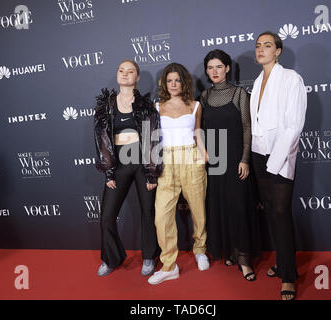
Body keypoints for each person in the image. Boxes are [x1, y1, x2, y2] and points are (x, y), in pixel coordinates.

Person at [250, 31, 307, 300]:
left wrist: (274, 162)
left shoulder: (291, 79)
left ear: (278, 51)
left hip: (280, 157)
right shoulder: (257, 81)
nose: (261, 49)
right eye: (258, 46)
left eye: (267, 45)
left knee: (282, 213)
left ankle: (288, 276)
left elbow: (294, 125)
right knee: (271, 211)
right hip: (259, 155)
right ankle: (282, 262)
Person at [94, 60, 162, 277]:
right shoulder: (106, 105)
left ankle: (149, 257)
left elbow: (153, 137)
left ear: (137, 77)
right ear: (117, 75)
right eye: (121, 70)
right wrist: (109, 171)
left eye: (130, 71)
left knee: (148, 211)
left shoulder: (145, 104)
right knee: (107, 216)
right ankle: (111, 258)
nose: (124, 74)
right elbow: (101, 139)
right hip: (119, 164)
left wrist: (152, 172)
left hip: (142, 163)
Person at [200, 49, 261, 282]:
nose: (214, 71)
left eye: (219, 67)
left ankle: (245, 260)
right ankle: (230, 252)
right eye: (210, 67)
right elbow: (201, 131)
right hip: (214, 163)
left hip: (236, 159)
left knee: (239, 208)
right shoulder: (204, 97)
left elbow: (248, 128)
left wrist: (245, 159)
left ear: (227, 68)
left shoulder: (239, 94)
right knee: (220, 207)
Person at [148, 63, 209, 285]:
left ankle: (200, 249)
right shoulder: (156, 106)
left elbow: (197, 132)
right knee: (162, 216)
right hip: (166, 162)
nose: (174, 84)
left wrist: (203, 154)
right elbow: (152, 138)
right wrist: (151, 167)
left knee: (198, 209)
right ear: (164, 83)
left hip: (191, 159)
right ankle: (169, 265)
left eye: (178, 80)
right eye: (170, 80)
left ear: (184, 82)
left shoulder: (195, 106)